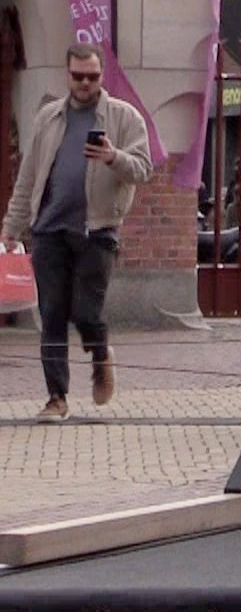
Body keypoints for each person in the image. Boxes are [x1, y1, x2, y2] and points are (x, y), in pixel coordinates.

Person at [1, 43, 153, 423]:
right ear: (66, 75)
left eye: (93, 76)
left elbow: (143, 168)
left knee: (86, 311)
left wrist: (113, 156)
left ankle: (100, 353)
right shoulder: (49, 118)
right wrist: (11, 226)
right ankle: (57, 397)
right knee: (52, 313)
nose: (85, 83)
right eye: (78, 76)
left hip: (97, 229)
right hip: (49, 230)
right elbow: (29, 177)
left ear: (102, 76)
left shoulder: (124, 117)